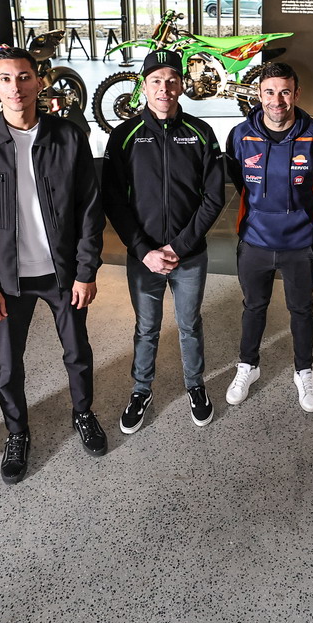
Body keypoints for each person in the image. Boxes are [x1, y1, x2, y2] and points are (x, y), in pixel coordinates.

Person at [0, 47, 108, 486]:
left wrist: (86, 271)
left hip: (62, 275)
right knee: (8, 364)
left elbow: (89, 209)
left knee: (77, 352)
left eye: (24, 77)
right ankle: (17, 432)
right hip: (6, 281)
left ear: (39, 82)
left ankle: (83, 413)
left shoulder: (68, 136)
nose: (16, 87)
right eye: (6, 78)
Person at [101, 49, 226, 433]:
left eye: (172, 80)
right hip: (144, 258)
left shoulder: (201, 133)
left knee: (189, 325)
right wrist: (144, 251)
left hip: (189, 256)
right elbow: (113, 200)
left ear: (181, 86)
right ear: (144, 86)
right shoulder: (124, 136)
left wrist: (179, 247)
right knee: (146, 327)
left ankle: (195, 385)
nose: (164, 88)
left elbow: (214, 197)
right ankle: (141, 390)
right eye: (156, 80)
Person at [223, 62, 313, 412]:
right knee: (253, 306)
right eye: (270, 92)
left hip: (300, 243)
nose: (277, 100)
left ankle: (304, 371)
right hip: (254, 240)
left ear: (296, 94)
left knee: (301, 309)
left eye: (285, 92)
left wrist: (300, 216)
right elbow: (238, 181)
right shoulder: (239, 136)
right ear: (259, 94)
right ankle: (248, 365)